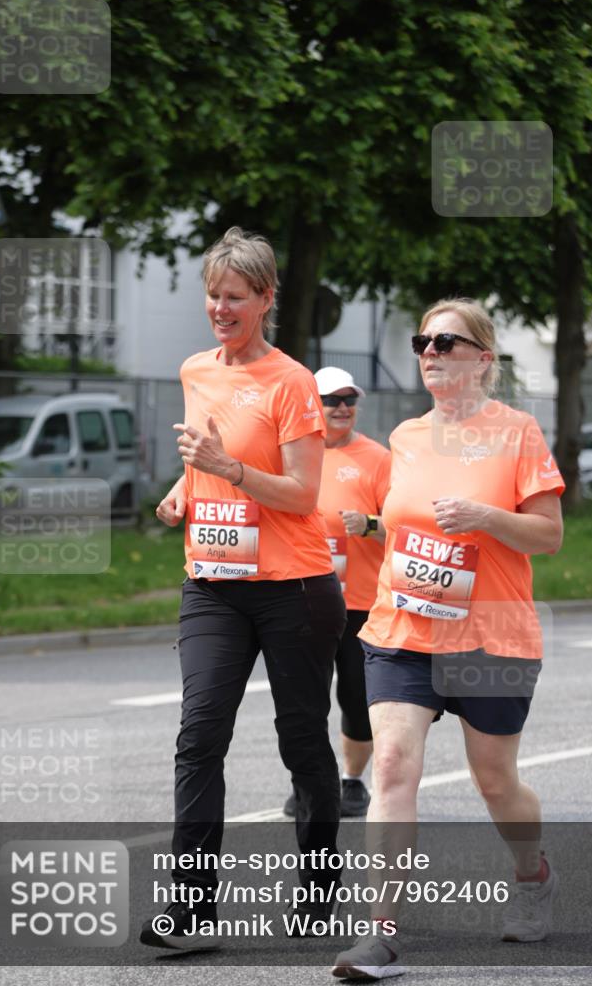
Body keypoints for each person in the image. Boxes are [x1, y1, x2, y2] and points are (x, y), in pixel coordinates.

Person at [332, 298, 565, 980]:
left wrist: (487, 517)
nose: (429, 351)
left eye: (446, 342)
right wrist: (369, 530)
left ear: (482, 359)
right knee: (394, 766)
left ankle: (531, 873)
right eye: (422, 341)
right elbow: (400, 525)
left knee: (495, 783)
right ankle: (378, 934)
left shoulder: (516, 433)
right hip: (402, 629)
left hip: (490, 637)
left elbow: (548, 535)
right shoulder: (405, 436)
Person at [140, 227, 346, 952]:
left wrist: (223, 471)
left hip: (293, 587)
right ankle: (191, 910)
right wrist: (182, 491)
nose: (220, 308)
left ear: (265, 298)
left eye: (235, 297)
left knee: (300, 741)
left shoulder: (291, 382)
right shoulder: (196, 370)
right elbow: (207, 459)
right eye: (212, 295)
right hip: (213, 583)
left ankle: (320, 882)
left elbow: (299, 492)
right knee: (199, 735)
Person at [282, 367, 391, 819]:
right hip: (300, 597)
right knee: (303, 701)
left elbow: (405, 529)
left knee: (355, 698)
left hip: (359, 602)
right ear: (314, 406)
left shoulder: (378, 459)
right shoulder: (290, 454)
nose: (343, 407)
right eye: (332, 400)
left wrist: (368, 526)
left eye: (350, 399)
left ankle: (351, 782)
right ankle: (308, 784)